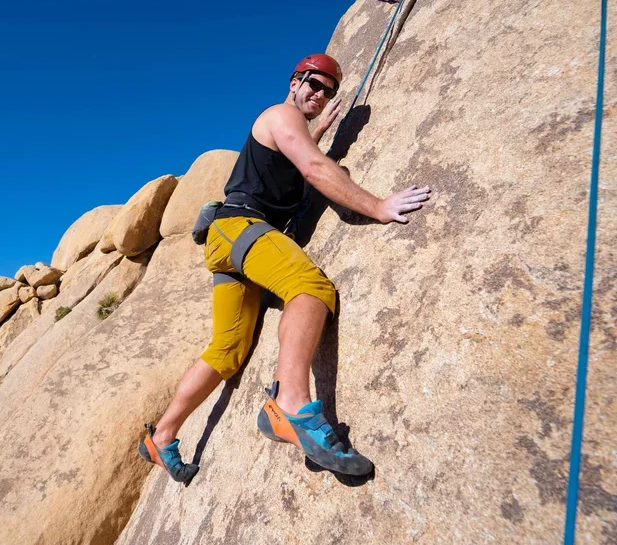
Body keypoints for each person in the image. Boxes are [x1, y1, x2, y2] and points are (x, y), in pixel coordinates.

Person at [138, 53, 430, 482]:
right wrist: (378, 207)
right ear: (294, 80)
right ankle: (290, 405)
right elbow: (312, 165)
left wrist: (322, 128)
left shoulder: (293, 126)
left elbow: (299, 152)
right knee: (310, 288)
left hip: (230, 244)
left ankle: (161, 437)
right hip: (241, 228)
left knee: (227, 351)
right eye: (313, 83)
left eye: (328, 90)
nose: (319, 93)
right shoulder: (279, 114)